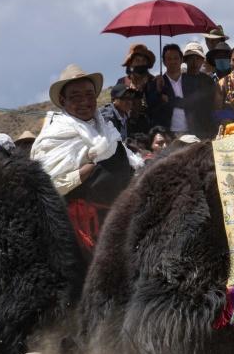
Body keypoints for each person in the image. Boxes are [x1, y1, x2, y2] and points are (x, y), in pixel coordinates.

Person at [30, 65, 142, 255]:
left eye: (89, 95)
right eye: (75, 97)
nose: (84, 101)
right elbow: (44, 186)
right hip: (76, 236)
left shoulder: (108, 132)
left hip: (119, 228)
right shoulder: (53, 138)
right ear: (63, 101)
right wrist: (83, 173)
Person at [146, 43, 216, 139]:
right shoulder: (157, 83)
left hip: (193, 133)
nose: (173, 62)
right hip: (168, 135)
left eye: (175, 58)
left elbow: (195, 103)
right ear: (164, 62)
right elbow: (151, 107)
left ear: (181, 60)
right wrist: (158, 92)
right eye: (169, 59)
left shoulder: (193, 81)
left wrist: (171, 100)